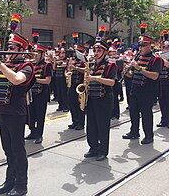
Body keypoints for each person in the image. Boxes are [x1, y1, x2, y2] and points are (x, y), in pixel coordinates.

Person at [0, 32, 34, 196]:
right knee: (8, 150)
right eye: (8, 47)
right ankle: (10, 180)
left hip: (16, 113)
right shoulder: (3, 66)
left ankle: (21, 185)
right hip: (2, 111)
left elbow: (17, 79)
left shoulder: (26, 66)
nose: (8, 50)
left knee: (18, 150)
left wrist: (0, 64)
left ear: (20, 49)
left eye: (11, 48)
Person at [122, 24, 162, 144]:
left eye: (143, 45)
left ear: (150, 45)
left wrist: (139, 68)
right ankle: (134, 132)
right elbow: (132, 74)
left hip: (147, 91)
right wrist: (127, 71)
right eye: (140, 45)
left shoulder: (156, 59)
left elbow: (154, 76)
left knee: (146, 114)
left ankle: (149, 135)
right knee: (133, 112)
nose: (141, 48)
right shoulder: (138, 57)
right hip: (135, 88)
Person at [84, 26, 116, 161]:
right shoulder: (91, 65)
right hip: (91, 98)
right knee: (90, 125)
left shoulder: (110, 65)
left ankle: (103, 150)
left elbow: (112, 82)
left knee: (102, 126)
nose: (95, 52)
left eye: (98, 50)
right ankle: (93, 147)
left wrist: (95, 78)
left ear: (104, 52)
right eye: (94, 50)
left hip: (104, 99)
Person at [25, 43, 53, 144]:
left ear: (42, 54)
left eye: (37, 52)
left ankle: (39, 135)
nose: (35, 54)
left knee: (40, 116)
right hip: (32, 94)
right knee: (31, 115)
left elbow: (48, 81)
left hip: (42, 94)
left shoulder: (47, 65)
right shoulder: (32, 64)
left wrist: (35, 80)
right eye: (34, 52)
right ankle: (32, 132)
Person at [66, 44, 86, 130]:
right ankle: (74, 121)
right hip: (71, 85)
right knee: (71, 104)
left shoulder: (84, 61)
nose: (74, 54)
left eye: (76, 52)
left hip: (80, 85)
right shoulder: (71, 60)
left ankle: (80, 123)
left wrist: (75, 68)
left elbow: (86, 70)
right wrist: (67, 74)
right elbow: (66, 70)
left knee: (80, 105)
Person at [157, 30, 169, 128]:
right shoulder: (159, 55)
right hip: (161, 80)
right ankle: (164, 119)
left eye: (166, 47)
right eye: (163, 47)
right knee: (162, 100)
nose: (165, 48)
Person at [53, 47, 69, 112]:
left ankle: (66, 106)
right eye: (60, 53)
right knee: (59, 92)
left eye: (63, 53)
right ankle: (60, 105)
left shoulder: (67, 60)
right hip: (57, 77)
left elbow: (64, 65)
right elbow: (54, 68)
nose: (61, 55)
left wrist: (59, 62)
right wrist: (54, 61)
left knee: (64, 92)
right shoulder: (57, 60)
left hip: (63, 78)